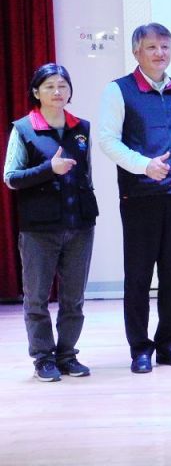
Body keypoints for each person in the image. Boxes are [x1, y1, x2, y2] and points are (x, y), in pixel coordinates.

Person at [97, 23, 171, 373]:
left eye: (165, 47)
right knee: (139, 276)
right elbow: (107, 140)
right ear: (136, 52)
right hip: (140, 195)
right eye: (152, 47)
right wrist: (144, 165)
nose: (160, 53)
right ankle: (140, 348)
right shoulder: (119, 90)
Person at [4, 64, 98, 381]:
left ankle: (67, 355)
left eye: (62, 86)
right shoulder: (24, 129)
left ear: (70, 91)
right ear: (36, 92)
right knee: (36, 299)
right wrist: (49, 170)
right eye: (49, 86)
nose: (57, 92)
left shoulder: (81, 127)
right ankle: (43, 358)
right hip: (39, 229)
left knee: (74, 299)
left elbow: (86, 174)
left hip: (79, 225)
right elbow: (11, 178)